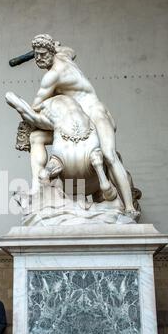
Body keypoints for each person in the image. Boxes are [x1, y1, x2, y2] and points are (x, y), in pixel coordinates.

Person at [25, 34, 138, 219]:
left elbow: (35, 107)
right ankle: (37, 190)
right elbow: (71, 50)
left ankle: (129, 206)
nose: (39, 59)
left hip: (94, 113)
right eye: (36, 55)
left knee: (109, 155)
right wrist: (57, 47)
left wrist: (50, 99)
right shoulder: (63, 55)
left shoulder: (52, 76)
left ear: (51, 52)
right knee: (36, 138)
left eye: (43, 54)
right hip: (75, 120)